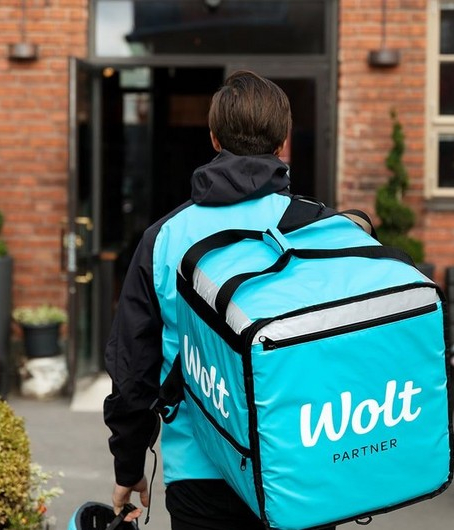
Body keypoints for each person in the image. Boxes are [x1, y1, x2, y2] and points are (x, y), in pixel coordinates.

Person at [103, 70, 337, 530]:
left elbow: (133, 369)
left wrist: (128, 467)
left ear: (214, 139)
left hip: (201, 473)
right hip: (302, 465)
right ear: (283, 142)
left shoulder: (164, 239)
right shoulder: (320, 231)